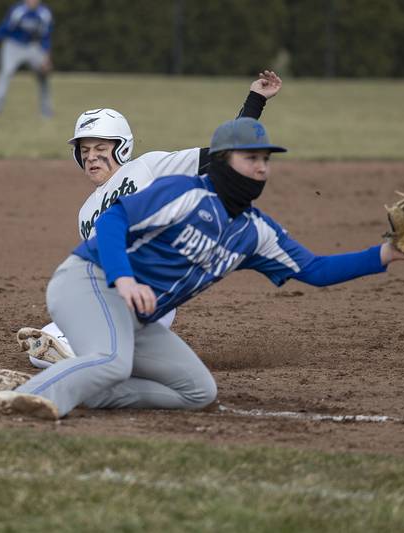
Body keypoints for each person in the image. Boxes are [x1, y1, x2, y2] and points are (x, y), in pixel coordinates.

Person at [0, 117, 404, 420]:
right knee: (111, 358)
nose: (261, 167)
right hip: (88, 281)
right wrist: (124, 278)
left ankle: (91, 395)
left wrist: (387, 254)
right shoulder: (182, 193)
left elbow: (314, 269)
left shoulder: (255, 233)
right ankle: (19, 400)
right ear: (223, 161)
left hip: (137, 317)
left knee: (198, 393)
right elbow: (113, 221)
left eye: (265, 159)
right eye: (249, 158)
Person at [15, 71, 283, 369]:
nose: (91, 157)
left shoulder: (150, 166)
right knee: (39, 348)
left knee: (71, 344)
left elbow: (223, 153)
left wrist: (255, 100)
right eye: (85, 151)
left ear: (122, 148)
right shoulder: (86, 212)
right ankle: (99, 354)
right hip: (110, 296)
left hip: (151, 290)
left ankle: (100, 356)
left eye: (101, 149)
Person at [0, 0, 54, 117]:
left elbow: (46, 37)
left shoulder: (44, 13)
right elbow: (3, 28)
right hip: (13, 45)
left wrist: (46, 59)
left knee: (43, 74)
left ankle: (46, 110)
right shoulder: (18, 10)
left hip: (33, 46)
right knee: (6, 73)